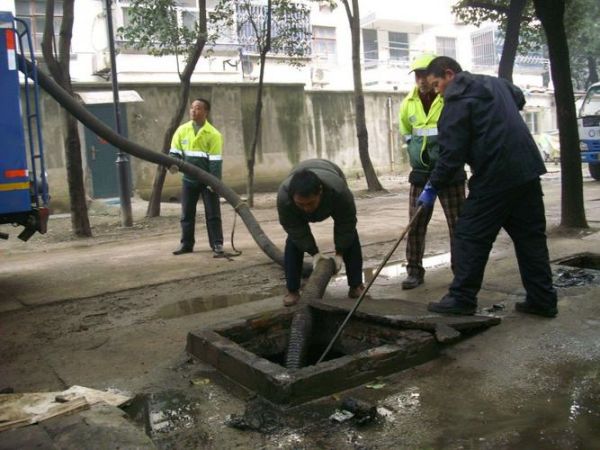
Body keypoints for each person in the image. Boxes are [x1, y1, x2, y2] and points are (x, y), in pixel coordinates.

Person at [420, 56, 558, 317]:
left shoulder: (456, 102)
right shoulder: (497, 84)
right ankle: (543, 299)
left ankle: (461, 298)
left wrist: (432, 187)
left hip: (495, 175)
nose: (437, 91)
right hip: (527, 170)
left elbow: (451, 156)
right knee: (531, 239)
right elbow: (519, 97)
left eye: (437, 84)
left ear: (449, 74)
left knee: (469, 236)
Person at [399, 53, 466, 290]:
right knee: (416, 225)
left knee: (458, 224)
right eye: (417, 75)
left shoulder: (449, 97)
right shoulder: (408, 103)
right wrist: (416, 155)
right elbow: (407, 133)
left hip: (449, 172)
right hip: (421, 172)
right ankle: (414, 271)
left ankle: (462, 272)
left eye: (424, 74)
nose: (421, 80)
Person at [277, 159, 365, 306]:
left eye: (310, 203)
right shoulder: (284, 197)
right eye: (301, 204)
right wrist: (314, 253)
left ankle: (356, 285)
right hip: (299, 184)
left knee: (351, 235)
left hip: (331, 171)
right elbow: (295, 230)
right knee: (293, 241)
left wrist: (339, 253)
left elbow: (346, 224)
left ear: (320, 192)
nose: (306, 208)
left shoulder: (339, 191)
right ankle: (292, 290)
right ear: (293, 198)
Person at [169, 98, 224, 256]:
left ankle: (217, 244)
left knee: (212, 214)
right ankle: (186, 244)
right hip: (188, 180)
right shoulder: (182, 130)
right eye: (192, 108)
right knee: (187, 214)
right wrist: (171, 163)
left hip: (207, 181)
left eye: (198, 108)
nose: (193, 111)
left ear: (205, 112)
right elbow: (174, 152)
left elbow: (215, 162)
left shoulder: (213, 134)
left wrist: (214, 183)